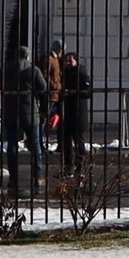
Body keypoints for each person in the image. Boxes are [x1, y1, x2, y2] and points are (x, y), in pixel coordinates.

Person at [0, 40, 45, 198]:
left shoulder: (7, 69)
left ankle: (13, 178)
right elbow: (43, 87)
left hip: (11, 111)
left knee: (12, 146)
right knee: (36, 145)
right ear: (28, 56)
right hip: (30, 112)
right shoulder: (33, 70)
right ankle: (38, 176)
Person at [45, 40, 84, 177]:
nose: (66, 62)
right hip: (60, 104)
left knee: (77, 140)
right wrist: (58, 88)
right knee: (65, 138)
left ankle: (79, 166)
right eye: (66, 60)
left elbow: (87, 92)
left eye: (70, 60)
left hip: (75, 111)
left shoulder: (79, 73)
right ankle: (69, 166)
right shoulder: (57, 66)